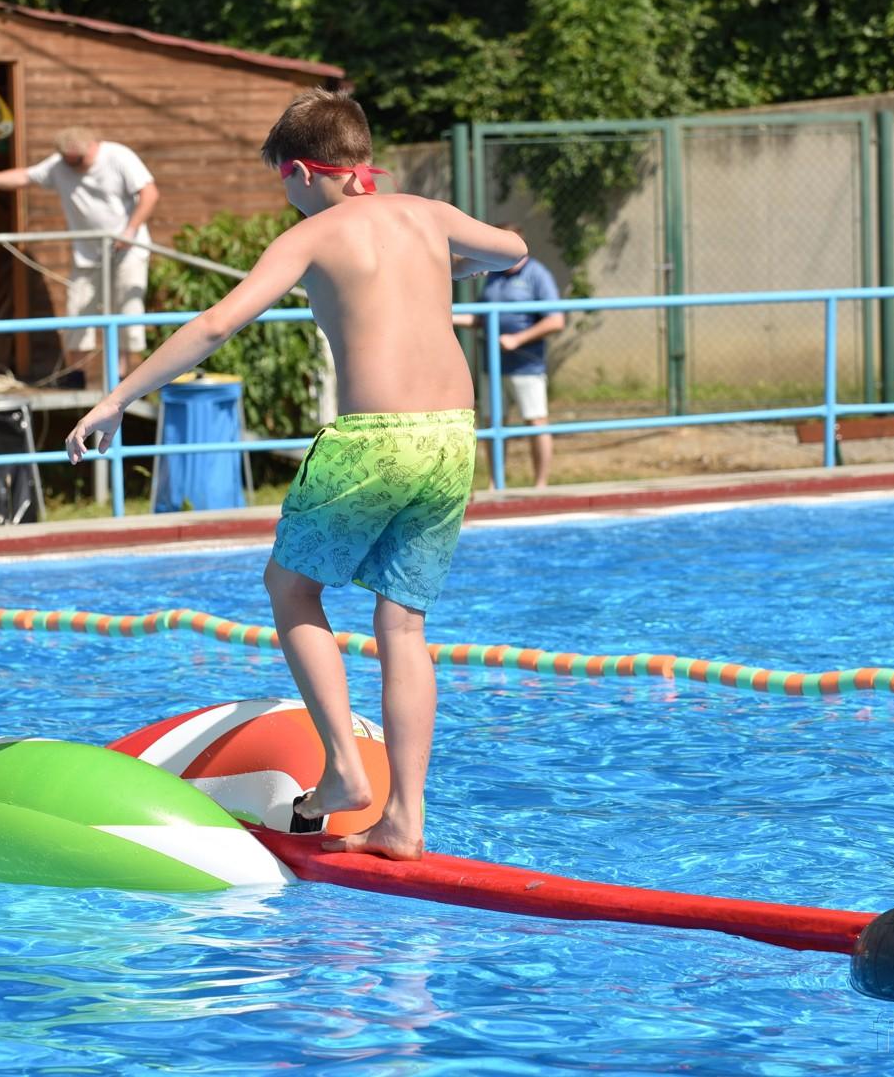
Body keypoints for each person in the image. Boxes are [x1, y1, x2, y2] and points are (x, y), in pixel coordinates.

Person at [63, 88, 527, 861]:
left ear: (306, 172)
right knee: (402, 625)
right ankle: (403, 820)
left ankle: (345, 772)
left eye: (283, 182)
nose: (287, 198)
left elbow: (215, 325)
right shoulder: (429, 215)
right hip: (451, 437)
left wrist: (116, 399)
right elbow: (513, 248)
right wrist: (460, 264)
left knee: (291, 589)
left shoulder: (314, 234)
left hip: (374, 441)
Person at [0, 128, 160, 384]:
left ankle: (121, 378)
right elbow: (23, 177)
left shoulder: (119, 157)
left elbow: (150, 194)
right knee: (78, 310)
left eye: (79, 160)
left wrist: (130, 230)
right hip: (88, 255)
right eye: (69, 160)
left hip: (127, 249)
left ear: (93, 146)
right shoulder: (60, 165)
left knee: (126, 310)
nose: (74, 166)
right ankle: (76, 376)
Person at [454, 226, 564, 487]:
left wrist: (518, 339)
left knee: (535, 421)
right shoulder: (493, 275)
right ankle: (496, 483)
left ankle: (540, 484)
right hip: (493, 366)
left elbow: (555, 320)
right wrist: (446, 316)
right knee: (493, 424)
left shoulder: (537, 274)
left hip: (526, 366)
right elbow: (482, 318)